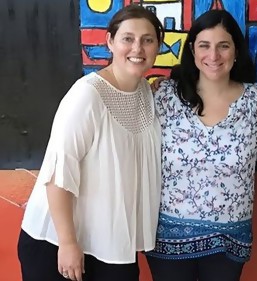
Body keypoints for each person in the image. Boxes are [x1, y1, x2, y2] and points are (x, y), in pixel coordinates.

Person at [17, 5, 164, 281]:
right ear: (110, 41)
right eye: (128, 39)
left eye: (147, 40)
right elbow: (58, 174)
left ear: (158, 45)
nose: (138, 48)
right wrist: (68, 243)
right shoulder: (87, 96)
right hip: (58, 243)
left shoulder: (146, 92)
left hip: (113, 244)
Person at [145, 9, 257, 281]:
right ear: (192, 50)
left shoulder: (256, 102)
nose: (213, 56)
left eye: (223, 46)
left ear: (236, 51)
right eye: (204, 45)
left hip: (229, 240)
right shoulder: (165, 96)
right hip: (167, 238)